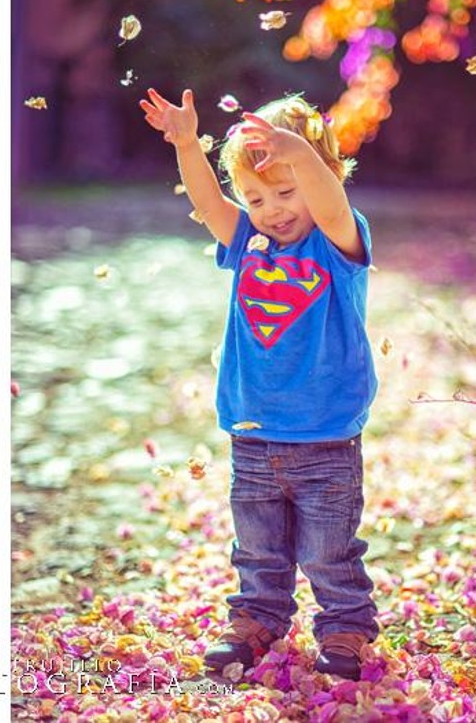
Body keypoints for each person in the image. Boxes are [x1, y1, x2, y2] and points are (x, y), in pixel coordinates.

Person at [140, 88, 379, 681]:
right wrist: (186, 143)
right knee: (258, 547)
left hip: (325, 439)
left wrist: (299, 154)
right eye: (256, 197)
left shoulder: (337, 241)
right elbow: (206, 201)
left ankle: (346, 627)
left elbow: (329, 203)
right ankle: (257, 618)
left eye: (286, 189)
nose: (271, 209)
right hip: (252, 432)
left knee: (329, 551)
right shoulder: (248, 241)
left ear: (318, 175)